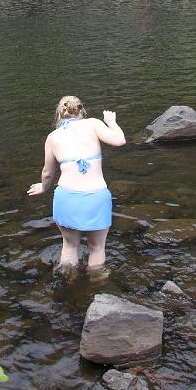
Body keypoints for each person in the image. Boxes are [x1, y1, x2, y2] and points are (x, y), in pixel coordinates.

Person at [27, 95, 126, 269]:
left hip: (67, 197)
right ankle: (95, 284)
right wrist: (111, 121)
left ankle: (68, 282)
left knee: (70, 246)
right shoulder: (94, 124)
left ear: (59, 113)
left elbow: (48, 173)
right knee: (97, 248)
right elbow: (120, 140)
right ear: (81, 111)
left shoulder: (52, 137)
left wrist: (43, 188)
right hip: (96, 196)